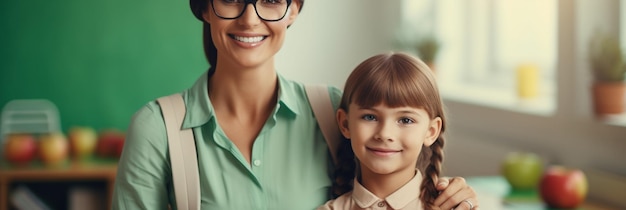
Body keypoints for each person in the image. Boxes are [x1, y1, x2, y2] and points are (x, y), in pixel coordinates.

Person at [111, 0, 477, 209]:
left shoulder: (333, 111)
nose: (249, 18)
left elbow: (397, 180)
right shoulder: (158, 129)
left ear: (294, 10)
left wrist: (453, 195)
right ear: (206, 8)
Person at [319, 52, 477, 210]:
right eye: (369, 117)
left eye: (405, 120)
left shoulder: (453, 206)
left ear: (431, 131)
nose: (385, 134)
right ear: (345, 124)